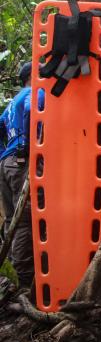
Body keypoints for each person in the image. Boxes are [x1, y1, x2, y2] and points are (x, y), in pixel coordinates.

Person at [0, 62, 40, 287]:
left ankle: (10, 274)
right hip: (20, 161)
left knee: (10, 219)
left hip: (6, 163)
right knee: (24, 220)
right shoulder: (34, 92)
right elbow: (30, 109)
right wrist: (27, 146)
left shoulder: (10, 103)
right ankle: (22, 281)